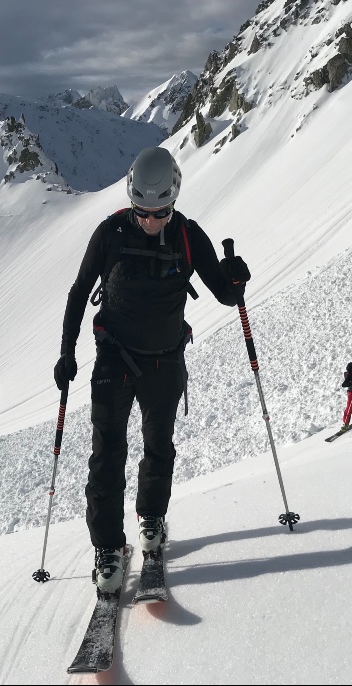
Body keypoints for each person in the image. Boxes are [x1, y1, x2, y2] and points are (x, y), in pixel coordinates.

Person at [54, 146, 250, 594]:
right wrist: (67, 352)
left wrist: (235, 278)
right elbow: (79, 290)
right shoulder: (109, 233)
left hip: (165, 359)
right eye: (142, 211)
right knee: (107, 456)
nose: (149, 221)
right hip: (113, 357)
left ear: (173, 200)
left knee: (159, 447)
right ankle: (108, 549)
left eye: (159, 212)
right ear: (131, 200)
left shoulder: (186, 234)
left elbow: (224, 293)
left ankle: (151, 519)